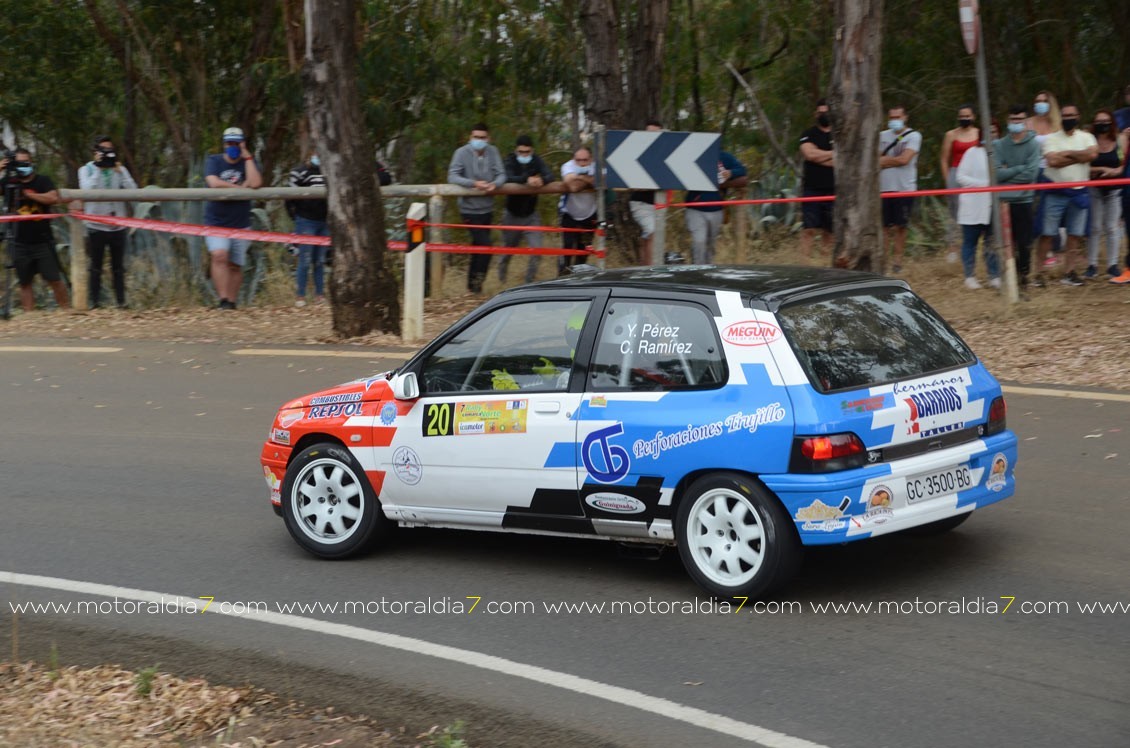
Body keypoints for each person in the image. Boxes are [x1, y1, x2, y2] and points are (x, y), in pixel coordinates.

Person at [0, 148, 69, 312]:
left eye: (26, 162)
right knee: (25, 282)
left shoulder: (42, 181)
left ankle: (66, 312)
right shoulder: (9, 183)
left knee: (54, 279)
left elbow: (53, 197)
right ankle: (29, 316)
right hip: (18, 241)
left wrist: (29, 195)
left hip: (42, 240)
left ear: (31, 163)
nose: (23, 166)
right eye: (19, 163)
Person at [1037, 103, 1097, 286]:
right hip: (1055, 191)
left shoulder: (1087, 137)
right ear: (1060, 118)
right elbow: (1052, 161)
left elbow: (1092, 155)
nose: (1068, 118)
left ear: (1078, 116)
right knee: (1047, 233)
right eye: (1065, 115)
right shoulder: (1051, 138)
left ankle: (1069, 273)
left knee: (1075, 234)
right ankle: (1039, 274)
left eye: (1071, 115)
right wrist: (1080, 157)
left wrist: (1068, 153)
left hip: (1079, 193)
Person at [75, 135, 137, 309]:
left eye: (110, 150)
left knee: (118, 267)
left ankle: (121, 302)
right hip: (96, 225)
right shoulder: (86, 170)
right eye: (103, 150)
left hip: (118, 225)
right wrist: (98, 169)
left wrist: (121, 172)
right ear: (95, 152)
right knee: (96, 266)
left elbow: (134, 191)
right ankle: (94, 303)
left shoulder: (120, 169)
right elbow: (86, 190)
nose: (107, 153)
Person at [204, 126, 262, 310]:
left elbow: (256, 183)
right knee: (219, 255)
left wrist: (247, 156)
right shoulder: (213, 161)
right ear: (224, 144)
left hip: (240, 222)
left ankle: (231, 301)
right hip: (216, 221)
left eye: (236, 143)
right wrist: (239, 189)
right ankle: (222, 300)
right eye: (230, 143)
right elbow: (213, 182)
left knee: (236, 264)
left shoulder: (249, 163)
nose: (233, 146)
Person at [447, 122, 505, 294]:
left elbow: (502, 174)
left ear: (488, 138)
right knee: (486, 246)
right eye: (476, 137)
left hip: (487, 208)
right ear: (470, 137)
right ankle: (476, 286)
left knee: (478, 248)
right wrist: (473, 184)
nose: (479, 140)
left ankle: (472, 287)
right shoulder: (461, 153)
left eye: (482, 137)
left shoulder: (493, 152)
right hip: (469, 209)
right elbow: (452, 176)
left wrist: (495, 184)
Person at [994, 105, 1041, 289]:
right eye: (1014, 120)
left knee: (1024, 243)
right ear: (1008, 121)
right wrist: (1022, 168)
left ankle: (1023, 279)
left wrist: (1009, 172)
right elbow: (996, 174)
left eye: (1020, 120)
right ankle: (1006, 280)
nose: (1017, 123)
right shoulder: (998, 145)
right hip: (1003, 201)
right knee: (1004, 244)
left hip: (1025, 199)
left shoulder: (1033, 144)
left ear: (1026, 121)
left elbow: (1031, 175)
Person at [497, 135, 555, 284]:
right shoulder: (510, 159)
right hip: (512, 215)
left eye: (527, 152)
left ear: (532, 150)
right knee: (507, 252)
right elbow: (507, 177)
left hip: (531, 214)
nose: (524, 155)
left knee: (537, 251)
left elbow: (550, 174)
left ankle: (528, 283)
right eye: (521, 152)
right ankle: (501, 282)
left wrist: (542, 180)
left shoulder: (536, 160)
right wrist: (526, 179)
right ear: (516, 150)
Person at [683, 149, 748, 265]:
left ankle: (708, 271)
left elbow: (742, 170)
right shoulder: (694, 154)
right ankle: (697, 272)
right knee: (699, 241)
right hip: (695, 209)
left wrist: (731, 173)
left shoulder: (724, 156)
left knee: (710, 244)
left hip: (716, 209)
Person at [955, 123, 1000, 289]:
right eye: (988, 132)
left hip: (993, 206)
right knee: (970, 242)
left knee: (991, 242)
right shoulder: (971, 153)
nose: (991, 135)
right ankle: (969, 276)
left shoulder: (1001, 153)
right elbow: (960, 177)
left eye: (994, 131)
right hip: (972, 206)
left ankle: (993, 275)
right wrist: (984, 184)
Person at [1084, 109, 1126, 279]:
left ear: (1112, 122)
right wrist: (1100, 169)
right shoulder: (1089, 140)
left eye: (1106, 121)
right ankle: (1092, 265)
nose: (1103, 124)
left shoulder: (1120, 139)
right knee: (1094, 228)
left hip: (1115, 189)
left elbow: (1123, 163)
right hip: (1094, 188)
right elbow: (1084, 166)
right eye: (1099, 121)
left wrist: (1116, 172)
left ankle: (1112, 264)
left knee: (1111, 227)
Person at [879, 105, 921, 273]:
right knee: (884, 227)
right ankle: (883, 260)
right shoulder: (881, 136)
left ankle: (897, 261)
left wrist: (883, 161)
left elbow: (905, 159)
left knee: (901, 226)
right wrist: (891, 160)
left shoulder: (914, 136)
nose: (894, 121)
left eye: (898, 117)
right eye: (892, 117)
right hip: (884, 188)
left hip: (905, 188)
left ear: (905, 117)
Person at [939, 105, 981, 263]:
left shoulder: (978, 133)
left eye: (967, 116)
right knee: (954, 211)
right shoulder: (951, 134)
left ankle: (972, 245)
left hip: (975, 175)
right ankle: (952, 247)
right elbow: (944, 159)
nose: (964, 119)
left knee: (975, 211)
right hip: (956, 174)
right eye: (961, 116)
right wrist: (947, 180)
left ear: (973, 116)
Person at [1026, 91, 1063, 268]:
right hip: (1032, 172)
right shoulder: (1028, 123)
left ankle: (1051, 250)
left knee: (1049, 210)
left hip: (1052, 172)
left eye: (1043, 101)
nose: (1039, 104)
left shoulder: (1057, 125)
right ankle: (1032, 249)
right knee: (1032, 210)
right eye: (1037, 101)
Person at [287, 151, 329, 306]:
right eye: (316, 153)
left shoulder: (330, 171)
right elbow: (289, 197)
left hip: (324, 221)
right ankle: (300, 296)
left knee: (319, 260)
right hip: (305, 221)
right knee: (304, 260)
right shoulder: (298, 172)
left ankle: (320, 295)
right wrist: (297, 217)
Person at [798, 101, 834, 262]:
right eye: (820, 112)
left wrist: (819, 156)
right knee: (809, 229)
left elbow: (844, 161)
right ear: (815, 115)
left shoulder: (839, 135)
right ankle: (805, 263)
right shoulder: (808, 134)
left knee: (830, 231)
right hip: (812, 189)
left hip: (835, 190)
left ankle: (825, 264)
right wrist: (834, 154)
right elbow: (809, 155)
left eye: (826, 112)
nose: (823, 115)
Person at [629, 120, 664, 266]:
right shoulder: (637, 153)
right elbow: (635, 185)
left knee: (650, 236)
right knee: (653, 232)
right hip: (641, 204)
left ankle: (644, 267)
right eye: (648, 133)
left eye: (655, 133)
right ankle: (651, 270)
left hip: (660, 205)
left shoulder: (664, 153)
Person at [559, 147, 598, 274]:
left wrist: (579, 177)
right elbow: (572, 186)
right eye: (578, 160)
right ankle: (560, 279)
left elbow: (600, 181)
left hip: (589, 214)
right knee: (567, 249)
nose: (581, 163)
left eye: (585, 160)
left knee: (583, 251)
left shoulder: (597, 166)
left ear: (591, 159)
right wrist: (588, 180)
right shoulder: (567, 166)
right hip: (569, 213)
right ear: (573, 159)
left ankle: (578, 281)